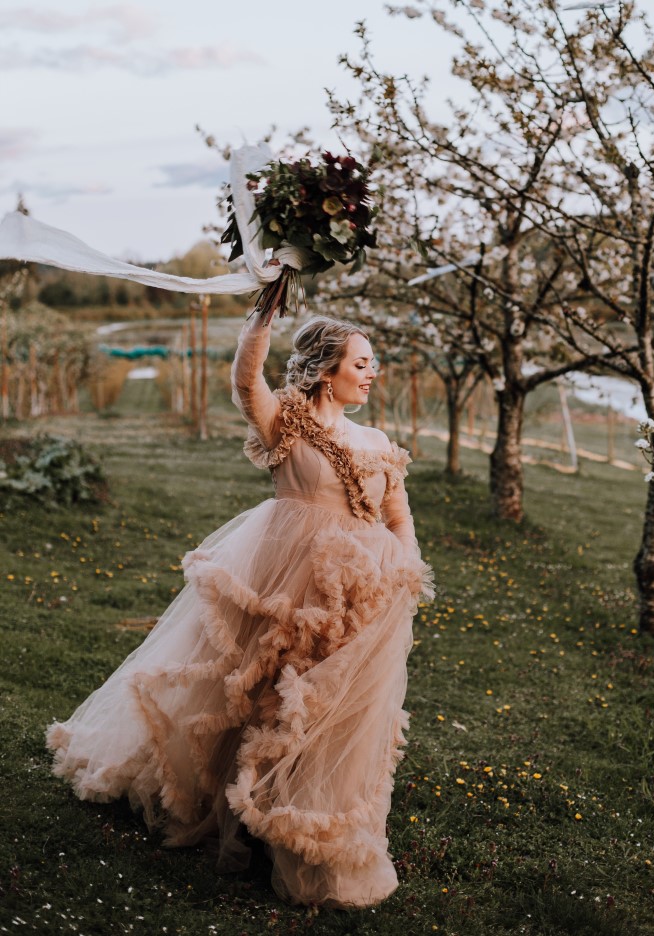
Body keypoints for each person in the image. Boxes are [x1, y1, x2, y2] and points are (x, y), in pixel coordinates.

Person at [46, 312, 433, 909]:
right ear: (326, 372)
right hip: (286, 581)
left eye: (372, 363)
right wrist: (263, 314)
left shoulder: (379, 442)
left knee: (336, 717)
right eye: (361, 362)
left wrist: (403, 572)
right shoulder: (289, 424)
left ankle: (310, 830)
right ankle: (244, 817)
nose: (371, 373)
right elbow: (245, 379)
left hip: (362, 598)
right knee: (263, 702)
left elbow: (398, 517)